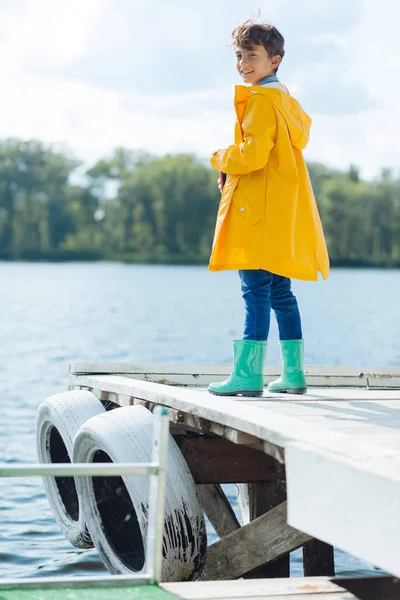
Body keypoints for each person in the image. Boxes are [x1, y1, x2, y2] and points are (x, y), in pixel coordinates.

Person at [207, 19, 330, 397]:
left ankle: (247, 375)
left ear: (274, 60)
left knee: (254, 291)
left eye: (253, 56)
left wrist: (221, 159)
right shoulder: (286, 101)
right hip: (279, 215)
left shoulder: (260, 101)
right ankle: (293, 375)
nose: (244, 64)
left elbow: (254, 154)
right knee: (280, 293)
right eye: (240, 56)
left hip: (257, 216)